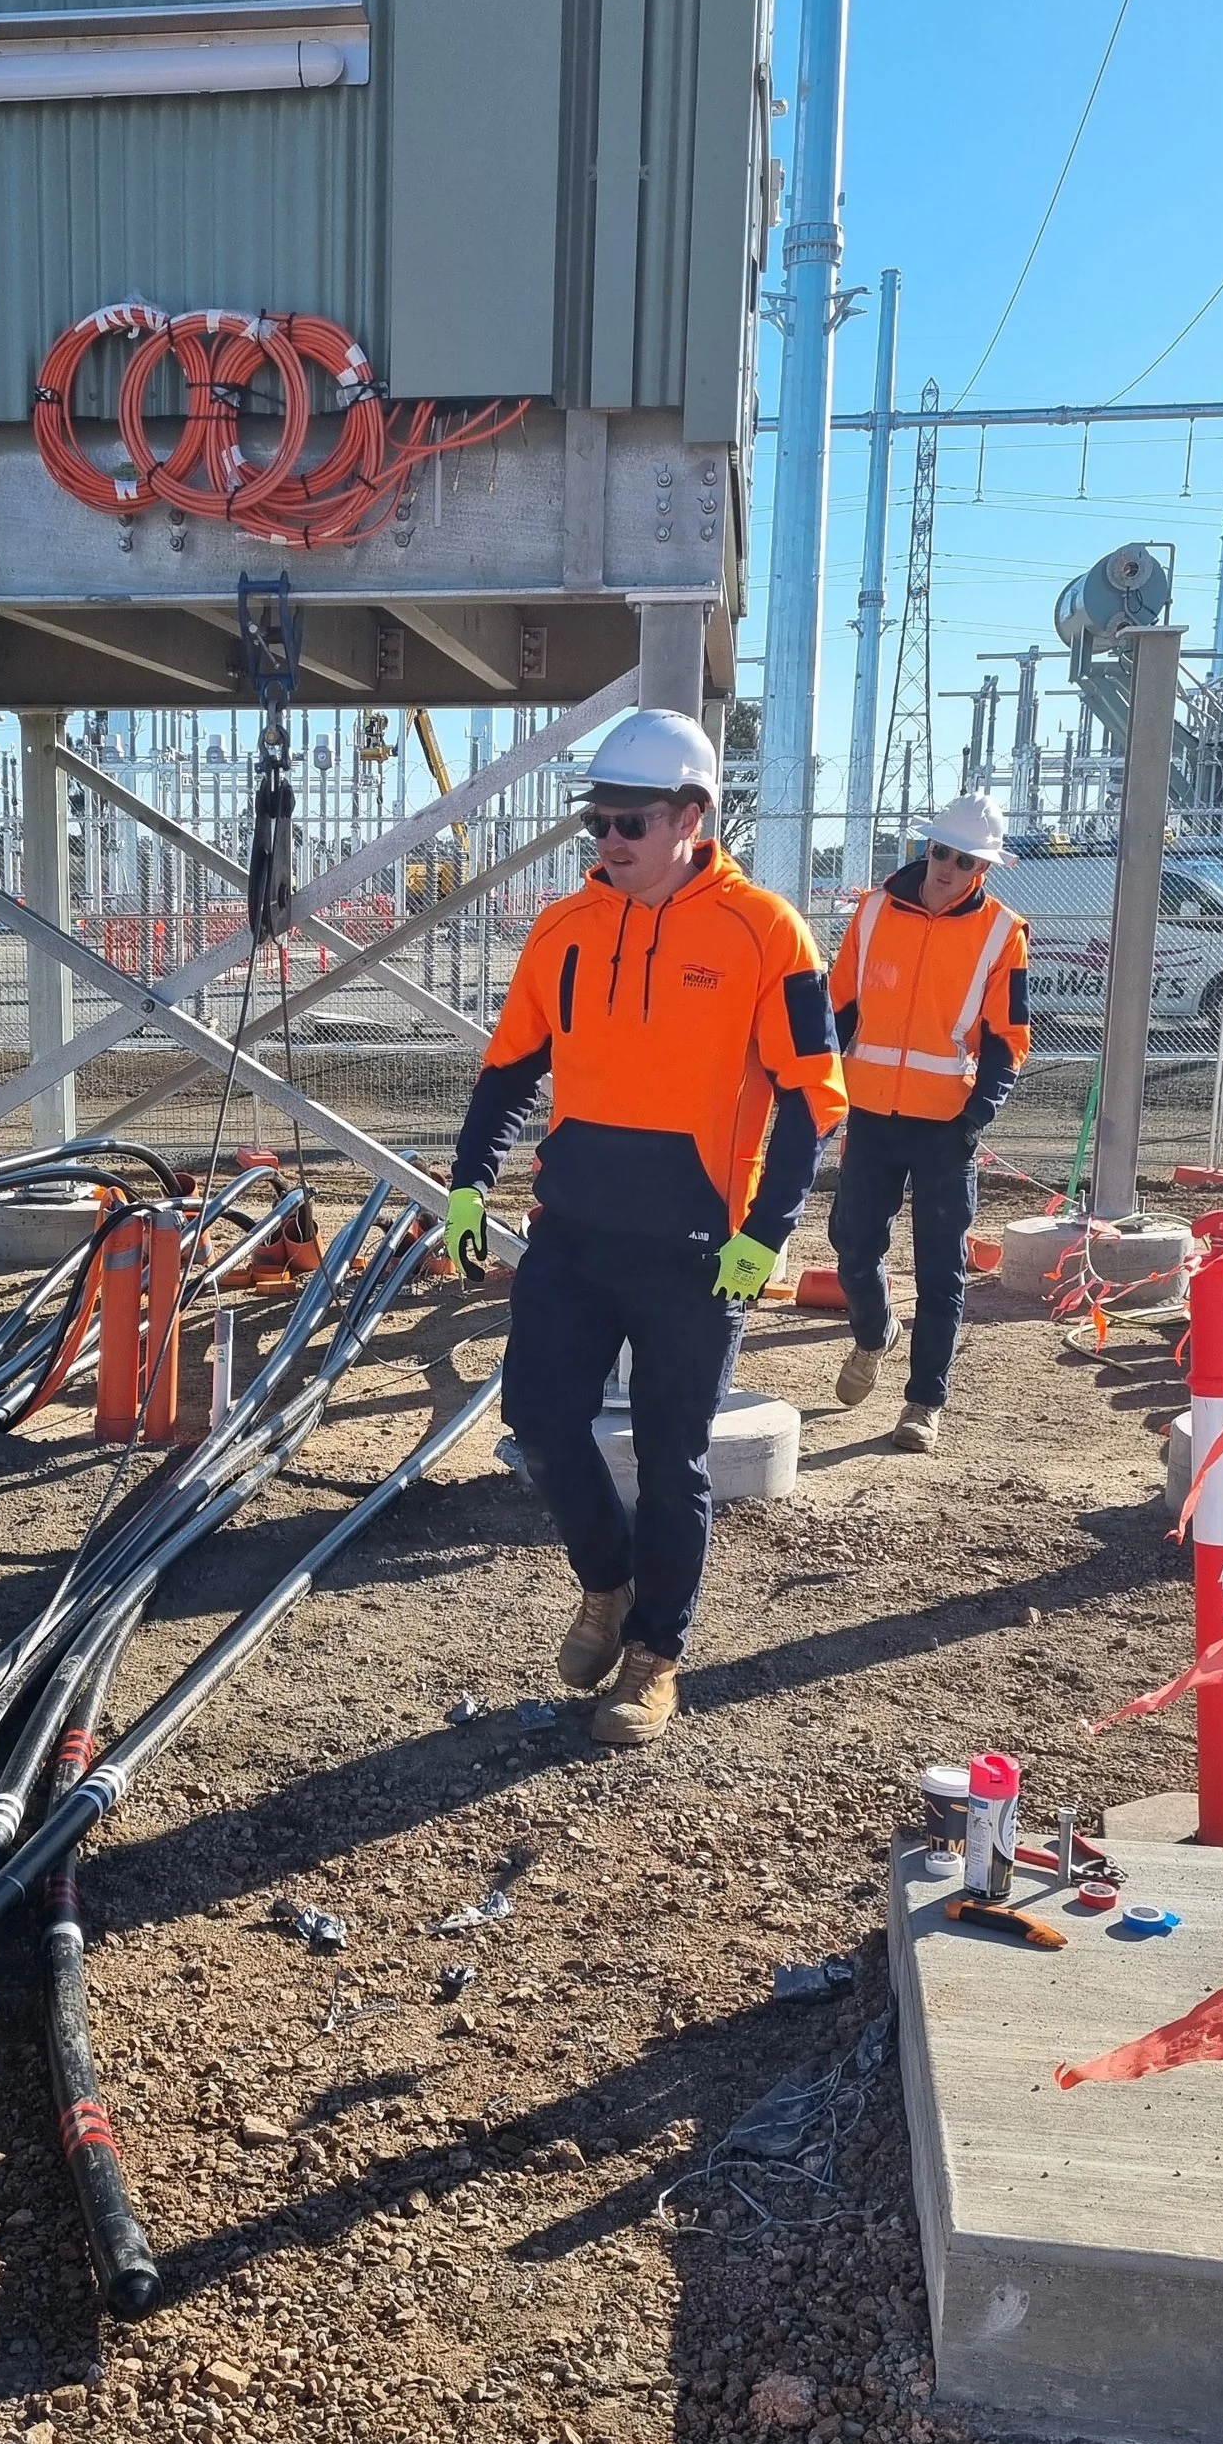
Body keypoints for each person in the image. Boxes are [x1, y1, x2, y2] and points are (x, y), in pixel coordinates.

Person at [444, 709, 848, 1747]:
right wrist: (466, 1186)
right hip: (574, 1234)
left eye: (630, 822)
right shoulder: (563, 930)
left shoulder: (765, 932)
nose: (609, 840)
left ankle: (654, 1657)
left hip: (698, 1252)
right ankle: (607, 1583)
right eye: (599, 821)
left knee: (673, 1462)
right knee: (540, 1423)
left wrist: (766, 1231)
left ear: (690, 816)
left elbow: (811, 1099)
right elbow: (508, 1070)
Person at [825, 787, 1032, 1456]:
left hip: (947, 1126)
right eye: (941, 851)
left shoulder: (1002, 933)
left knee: (941, 1270)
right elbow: (839, 1008)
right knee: (851, 1243)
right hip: (871, 1113)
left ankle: (923, 1402)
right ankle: (874, 1331)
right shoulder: (872, 911)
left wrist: (978, 1115)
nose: (948, 867)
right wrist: (819, 1088)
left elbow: (1008, 1037)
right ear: (927, 848)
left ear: (984, 869)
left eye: (965, 860)